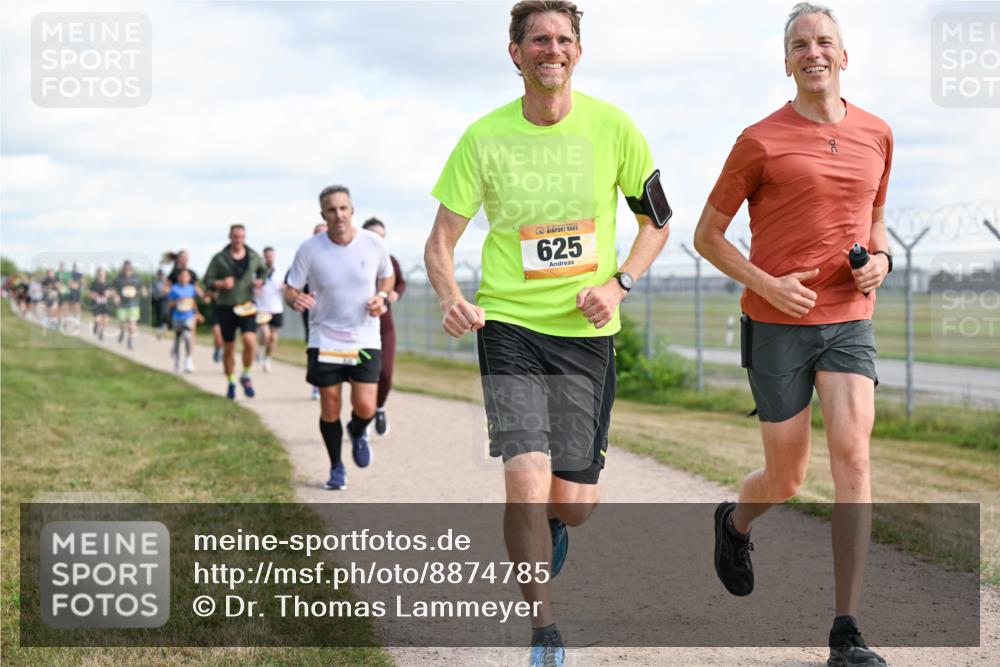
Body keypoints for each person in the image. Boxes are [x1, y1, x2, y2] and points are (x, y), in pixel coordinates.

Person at [424, 2, 671, 664]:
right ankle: (543, 629)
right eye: (538, 39)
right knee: (524, 480)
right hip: (509, 325)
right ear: (515, 53)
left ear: (579, 52)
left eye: (563, 39)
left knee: (575, 501)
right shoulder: (483, 138)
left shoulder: (615, 128)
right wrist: (452, 297)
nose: (551, 49)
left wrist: (619, 281)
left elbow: (658, 220)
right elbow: (440, 242)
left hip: (586, 334)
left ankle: (558, 525)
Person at [693, 4, 893, 666]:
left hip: (847, 323)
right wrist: (767, 282)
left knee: (854, 457)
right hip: (776, 322)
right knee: (786, 477)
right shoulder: (759, 139)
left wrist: (882, 263)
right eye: (800, 43)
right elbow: (707, 236)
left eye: (825, 41)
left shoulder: (877, 135)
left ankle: (847, 629)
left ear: (844, 56)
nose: (814, 51)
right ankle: (736, 520)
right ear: (787, 61)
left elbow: (877, 225)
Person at [285, 186, 394, 491]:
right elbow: (291, 287)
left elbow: (388, 275)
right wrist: (295, 300)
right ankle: (336, 466)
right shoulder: (310, 249)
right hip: (325, 337)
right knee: (330, 405)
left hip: (364, 336)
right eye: (331, 210)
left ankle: (358, 431)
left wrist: (382, 295)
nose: (339, 215)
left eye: (343, 208)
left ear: (352, 210)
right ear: (323, 215)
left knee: (366, 407)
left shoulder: (373, 244)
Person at [203, 225, 267, 399]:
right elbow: (207, 280)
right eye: (235, 237)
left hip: (247, 306)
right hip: (226, 306)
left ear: (245, 238)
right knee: (229, 347)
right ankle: (231, 381)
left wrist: (260, 280)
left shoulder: (253, 256)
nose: (239, 240)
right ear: (230, 237)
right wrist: (221, 284)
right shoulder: (219, 258)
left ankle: (246, 375)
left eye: (242, 237)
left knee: (250, 341)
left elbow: (263, 271)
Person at [361, 217, 407, 435]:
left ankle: (378, 408)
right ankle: (364, 415)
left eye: (381, 236)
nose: (377, 240)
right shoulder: (356, 260)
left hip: (384, 326)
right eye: (372, 236)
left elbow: (400, 282)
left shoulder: (390, 261)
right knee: (364, 376)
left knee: (386, 373)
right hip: (359, 326)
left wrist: (396, 291)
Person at [254, 246, 284, 372]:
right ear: (263, 257)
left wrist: (284, 287)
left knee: (273, 338)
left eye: (271, 256)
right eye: (267, 256)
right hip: (262, 308)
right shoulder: (257, 271)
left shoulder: (280, 271)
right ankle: (260, 349)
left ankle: (268, 359)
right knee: (265, 334)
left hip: (276, 308)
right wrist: (255, 289)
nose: (269, 258)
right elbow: (252, 286)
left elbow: (287, 284)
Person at [168, 268, 201, 373]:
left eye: (186, 276)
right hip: (177, 317)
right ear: (178, 277)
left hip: (188, 316)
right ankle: (177, 361)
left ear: (189, 278)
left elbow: (193, 302)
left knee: (187, 336)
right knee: (178, 339)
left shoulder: (191, 288)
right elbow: (169, 304)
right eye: (182, 276)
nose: (184, 278)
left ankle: (188, 361)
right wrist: (178, 301)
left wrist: (197, 313)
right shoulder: (174, 289)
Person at [114, 260, 146, 349]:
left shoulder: (136, 278)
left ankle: (130, 341)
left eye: (129, 267)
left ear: (131, 268)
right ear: (123, 268)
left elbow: (142, 286)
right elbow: (113, 288)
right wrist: (116, 296)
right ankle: (122, 332)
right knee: (123, 325)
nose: (127, 269)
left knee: (132, 323)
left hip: (133, 304)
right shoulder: (118, 278)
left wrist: (143, 291)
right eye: (125, 267)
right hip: (122, 305)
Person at [89, 268, 114, 340]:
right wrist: (93, 295)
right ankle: (96, 325)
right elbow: (90, 294)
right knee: (97, 319)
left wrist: (109, 293)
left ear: (105, 275)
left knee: (106, 320)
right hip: (96, 305)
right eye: (100, 274)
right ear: (97, 275)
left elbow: (111, 293)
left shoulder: (108, 284)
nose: (101, 275)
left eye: (102, 274)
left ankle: (101, 332)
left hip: (104, 304)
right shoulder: (94, 284)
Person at [151, 269, 169, 339]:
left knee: (163, 313)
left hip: (164, 299)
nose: (161, 276)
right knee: (158, 314)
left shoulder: (167, 282)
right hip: (157, 299)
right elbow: (151, 290)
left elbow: (169, 289)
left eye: (162, 274)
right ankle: (159, 329)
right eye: (159, 274)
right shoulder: (155, 282)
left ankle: (164, 326)